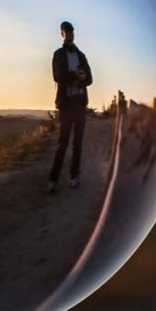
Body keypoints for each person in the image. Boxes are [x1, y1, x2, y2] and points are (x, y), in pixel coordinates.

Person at [48, 21, 93, 193]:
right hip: (66, 104)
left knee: (78, 143)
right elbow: (57, 76)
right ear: (62, 34)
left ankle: (75, 177)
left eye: (71, 31)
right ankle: (53, 180)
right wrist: (76, 76)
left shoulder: (81, 55)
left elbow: (90, 79)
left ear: (74, 33)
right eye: (66, 31)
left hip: (80, 103)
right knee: (63, 143)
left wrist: (81, 78)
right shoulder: (58, 54)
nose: (69, 34)